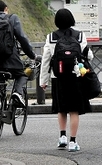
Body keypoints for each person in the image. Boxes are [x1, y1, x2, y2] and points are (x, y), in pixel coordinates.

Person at [39, 9, 91, 152]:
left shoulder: (51, 37)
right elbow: (89, 56)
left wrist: (43, 81)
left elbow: (46, 61)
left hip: (58, 77)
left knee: (61, 108)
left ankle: (62, 137)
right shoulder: (80, 36)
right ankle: (73, 142)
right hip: (76, 77)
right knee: (74, 110)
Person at [0, 0, 38, 108]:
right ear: (6, 9)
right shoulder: (12, 19)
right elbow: (22, 38)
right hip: (12, 63)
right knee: (22, 74)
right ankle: (17, 94)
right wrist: (32, 55)